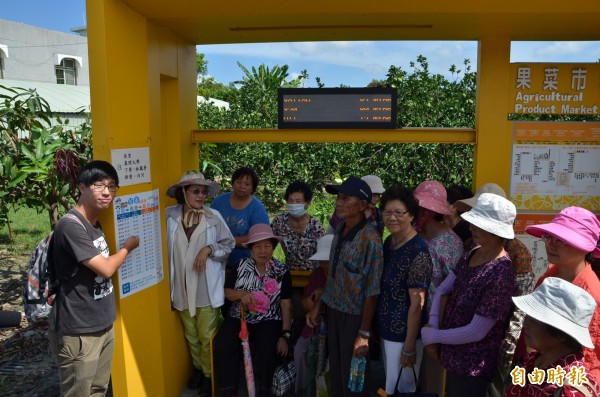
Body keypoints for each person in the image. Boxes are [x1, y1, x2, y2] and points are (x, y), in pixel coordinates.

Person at [47, 160, 140, 397]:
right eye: (99, 185)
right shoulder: (71, 226)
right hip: (78, 330)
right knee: (78, 393)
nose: (107, 192)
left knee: (99, 389)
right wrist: (128, 248)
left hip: (103, 324)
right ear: (82, 187)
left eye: (112, 186)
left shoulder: (95, 222)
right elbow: (106, 269)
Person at [421, 193, 517, 397]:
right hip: (452, 355)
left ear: (495, 232)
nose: (471, 228)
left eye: (478, 225)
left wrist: (435, 336)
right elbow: (443, 289)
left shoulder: (501, 273)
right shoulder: (473, 252)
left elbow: (477, 331)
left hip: (473, 366)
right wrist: (434, 323)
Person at [453, 183, 534, 397]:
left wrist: (509, 345)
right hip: (462, 342)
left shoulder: (518, 253)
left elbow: (521, 304)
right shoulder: (473, 245)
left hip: (494, 341)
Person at [309, 175, 384, 397]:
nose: (339, 202)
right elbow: (333, 277)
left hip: (355, 317)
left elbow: (372, 291)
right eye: (338, 198)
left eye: (345, 198)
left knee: (355, 377)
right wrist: (319, 306)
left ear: (362, 205)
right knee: (339, 373)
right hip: (334, 312)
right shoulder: (340, 229)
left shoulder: (371, 239)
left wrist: (363, 332)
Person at [165, 171, 235, 394]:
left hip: (205, 286)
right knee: (192, 336)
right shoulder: (170, 217)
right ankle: (198, 369)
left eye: (204, 191)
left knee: (207, 336)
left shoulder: (213, 217)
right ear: (183, 193)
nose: (201, 196)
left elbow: (229, 244)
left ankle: (209, 375)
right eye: (196, 191)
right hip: (182, 287)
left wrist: (210, 249)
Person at [522, 206, 600, 382]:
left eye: (562, 240)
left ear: (586, 247)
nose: (551, 245)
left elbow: (589, 357)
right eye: (549, 237)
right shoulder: (549, 274)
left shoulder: (591, 294)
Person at [214, 224, 293, 397]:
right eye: (257, 246)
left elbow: (286, 305)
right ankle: (229, 391)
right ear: (250, 249)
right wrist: (240, 294)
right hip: (239, 316)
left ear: (273, 247)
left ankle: (265, 390)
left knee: (268, 346)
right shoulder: (240, 266)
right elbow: (226, 292)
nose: (263, 251)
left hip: (269, 319)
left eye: (267, 246)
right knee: (223, 343)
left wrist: (285, 334)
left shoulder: (282, 271)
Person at [375, 185, 433, 394]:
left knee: (403, 389)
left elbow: (418, 303)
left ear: (412, 216)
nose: (392, 217)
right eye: (388, 212)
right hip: (386, 330)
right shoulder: (389, 242)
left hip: (404, 336)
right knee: (391, 386)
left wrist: (409, 347)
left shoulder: (418, 251)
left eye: (399, 212)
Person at [505, 277, 600, 396]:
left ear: (561, 333)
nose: (525, 323)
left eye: (534, 319)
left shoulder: (570, 390)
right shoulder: (533, 359)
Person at [294, 234, 333, 396]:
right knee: (300, 351)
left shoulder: (345, 275)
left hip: (335, 329)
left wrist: (323, 296)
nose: (324, 264)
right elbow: (305, 307)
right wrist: (314, 297)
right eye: (322, 260)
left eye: (328, 260)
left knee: (331, 363)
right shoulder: (317, 274)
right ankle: (306, 391)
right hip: (314, 328)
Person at [210, 167, 270, 269]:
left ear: (253, 188)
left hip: (245, 263)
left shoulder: (257, 208)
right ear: (233, 183)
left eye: (247, 184)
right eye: (239, 182)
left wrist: (228, 241)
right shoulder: (219, 201)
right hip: (215, 258)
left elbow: (259, 237)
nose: (242, 187)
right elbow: (209, 224)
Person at [271, 180, 325, 271]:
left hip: (312, 275)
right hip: (288, 273)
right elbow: (268, 245)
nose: (293, 204)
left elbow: (323, 254)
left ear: (307, 203)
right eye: (290, 201)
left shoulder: (315, 226)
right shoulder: (279, 222)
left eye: (298, 201)